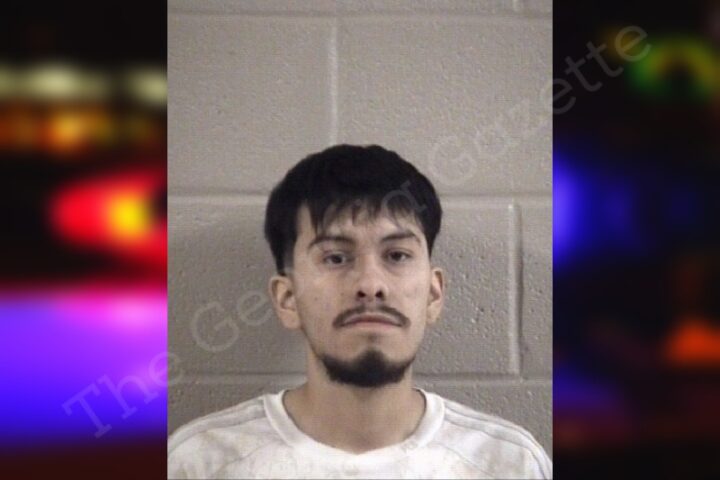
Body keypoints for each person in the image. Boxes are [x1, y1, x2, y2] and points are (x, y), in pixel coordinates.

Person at [168, 144, 552, 479]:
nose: (370, 284)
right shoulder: (201, 463)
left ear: (434, 295)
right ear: (288, 300)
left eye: (397, 255)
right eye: (336, 257)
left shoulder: (508, 464)